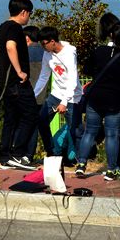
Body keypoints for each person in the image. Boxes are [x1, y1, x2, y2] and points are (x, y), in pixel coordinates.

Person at [76, 21, 120, 181]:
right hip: (116, 100)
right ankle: (112, 170)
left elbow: (87, 69)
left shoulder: (99, 51)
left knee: (90, 131)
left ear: (110, 35)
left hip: (95, 97)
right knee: (112, 135)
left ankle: (81, 165)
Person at [0, 0, 39, 170]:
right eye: (29, 13)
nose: (29, 17)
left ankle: (6, 156)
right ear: (23, 12)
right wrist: (20, 70)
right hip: (17, 82)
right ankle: (17, 153)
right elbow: (10, 47)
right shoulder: (14, 28)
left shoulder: (2, 27)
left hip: (5, 82)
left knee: (10, 118)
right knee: (31, 115)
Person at [33, 26, 83, 157]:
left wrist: (64, 102)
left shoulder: (69, 52)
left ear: (52, 41)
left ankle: (80, 160)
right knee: (41, 120)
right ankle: (53, 153)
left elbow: (72, 78)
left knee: (75, 130)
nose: (43, 47)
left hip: (72, 96)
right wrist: (34, 95)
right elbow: (44, 76)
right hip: (55, 95)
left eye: (44, 44)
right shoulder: (47, 54)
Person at [24, 25, 47, 163]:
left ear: (26, 38)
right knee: (37, 127)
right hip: (42, 96)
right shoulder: (45, 52)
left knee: (26, 125)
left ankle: (24, 155)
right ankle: (32, 154)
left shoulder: (24, 53)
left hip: (27, 95)